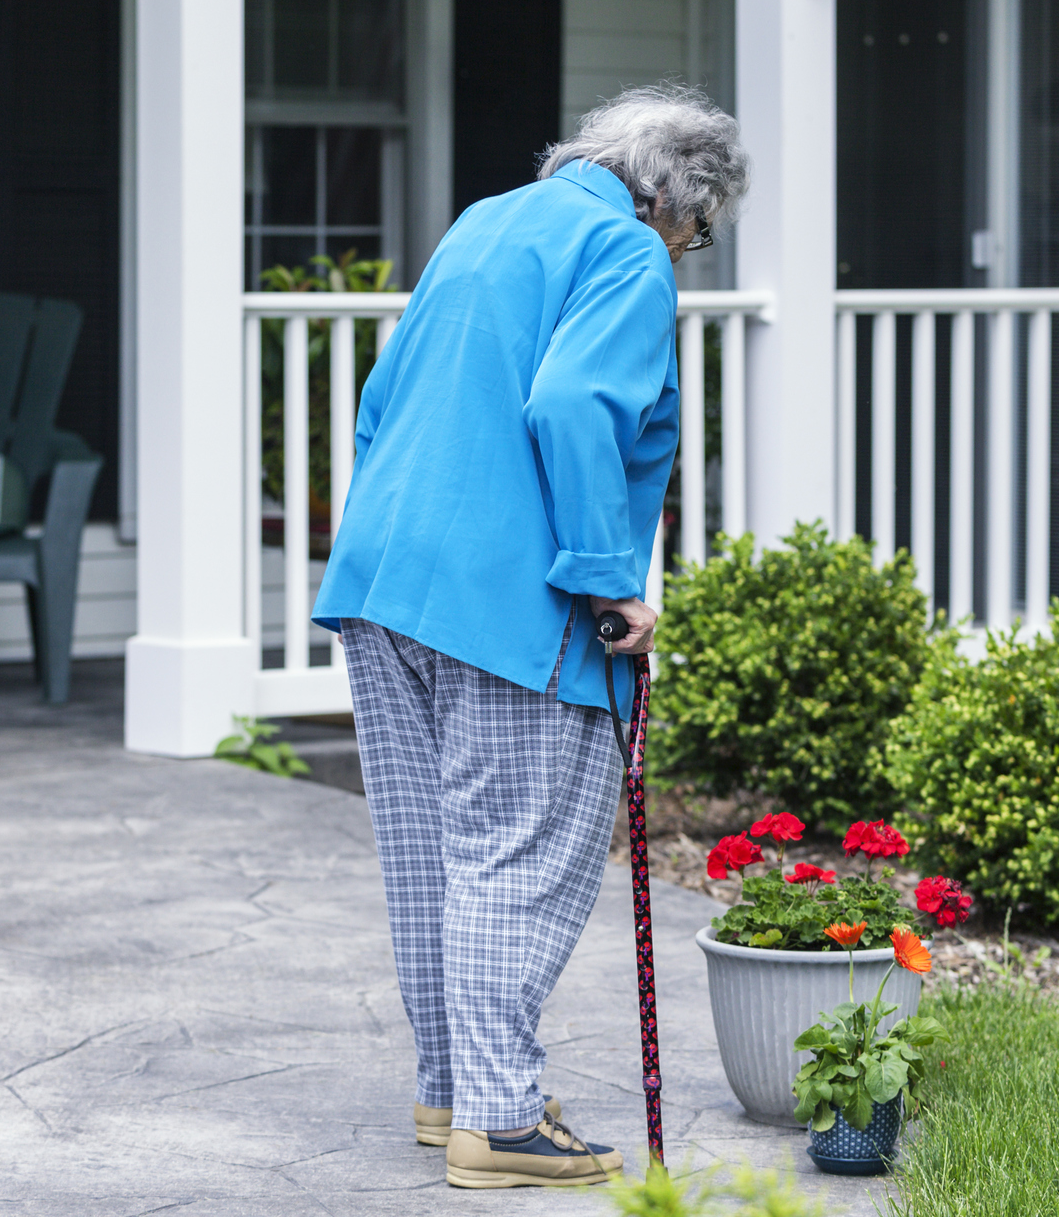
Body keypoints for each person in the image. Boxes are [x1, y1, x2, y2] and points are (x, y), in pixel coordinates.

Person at [311, 84, 749, 1189]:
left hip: (384, 579)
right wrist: (611, 585)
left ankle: (454, 1089)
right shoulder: (628, 252)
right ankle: (500, 1122)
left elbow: (383, 397)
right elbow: (570, 407)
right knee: (521, 853)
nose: (688, 255)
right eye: (699, 234)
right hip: (507, 602)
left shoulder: (489, 219)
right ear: (673, 200)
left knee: (432, 861)